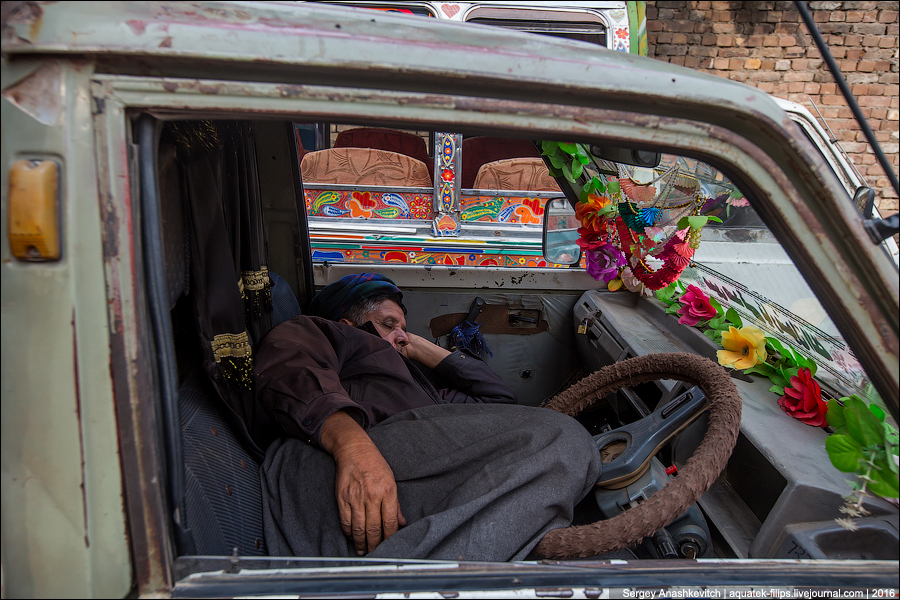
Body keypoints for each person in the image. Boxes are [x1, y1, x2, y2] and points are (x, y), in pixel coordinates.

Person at [254, 273, 601, 560]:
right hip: (340, 461)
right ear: (350, 324)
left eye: (405, 328)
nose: (401, 335)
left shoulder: (421, 383)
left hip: (414, 466)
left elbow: (501, 402)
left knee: (562, 448)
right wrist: (353, 448)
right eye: (389, 324)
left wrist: (419, 347)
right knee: (566, 441)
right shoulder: (335, 335)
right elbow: (288, 359)